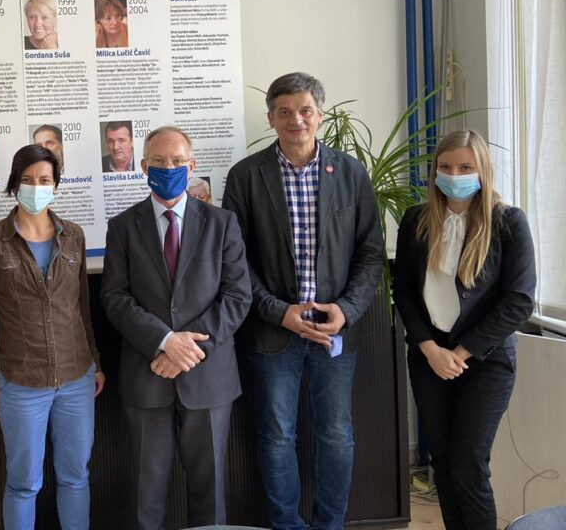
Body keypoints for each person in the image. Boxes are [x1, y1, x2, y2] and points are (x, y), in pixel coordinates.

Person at [221, 72, 384, 530]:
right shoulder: (246, 176)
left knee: (336, 435)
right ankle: (287, 525)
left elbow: (370, 253)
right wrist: (279, 312)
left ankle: (329, 525)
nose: (296, 120)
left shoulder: (350, 172)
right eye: (285, 112)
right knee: (276, 436)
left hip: (334, 330)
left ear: (321, 115)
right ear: (271, 117)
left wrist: (345, 310)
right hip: (275, 330)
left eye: (305, 110)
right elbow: (235, 261)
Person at [101, 126, 251, 530]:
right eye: (159, 162)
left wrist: (186, 350)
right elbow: (115, 297)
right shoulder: (122, 226)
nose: (168, 168)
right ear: (143, 166)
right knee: (146, 492)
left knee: (210, 489)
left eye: (177, 161)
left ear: (191, 164)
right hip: (147, 374)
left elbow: (237, 297)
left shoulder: (222, 223)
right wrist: (165, 341)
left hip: (208, 376)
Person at [393, 130, 535, 530]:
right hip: (429, 358)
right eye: (446, 167)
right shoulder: (416, 220)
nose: (454, 175)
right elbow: (403, 290)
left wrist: (460, 353)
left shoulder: (509, 222)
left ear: (482, 170)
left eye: (465, 167)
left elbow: (519, 301)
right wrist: (429, 348)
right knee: (442, 462)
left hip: (485, 360)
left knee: (469, 464)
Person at [0, 144, 104, 530]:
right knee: (24, 483)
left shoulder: (73, 236)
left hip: (77, 377)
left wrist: (95, 361)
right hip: (21, 381)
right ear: (15, 184)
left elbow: (81, 307)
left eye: (44, 179)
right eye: (27, 179)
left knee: (75, 476)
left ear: (55, 185)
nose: (36, 187)